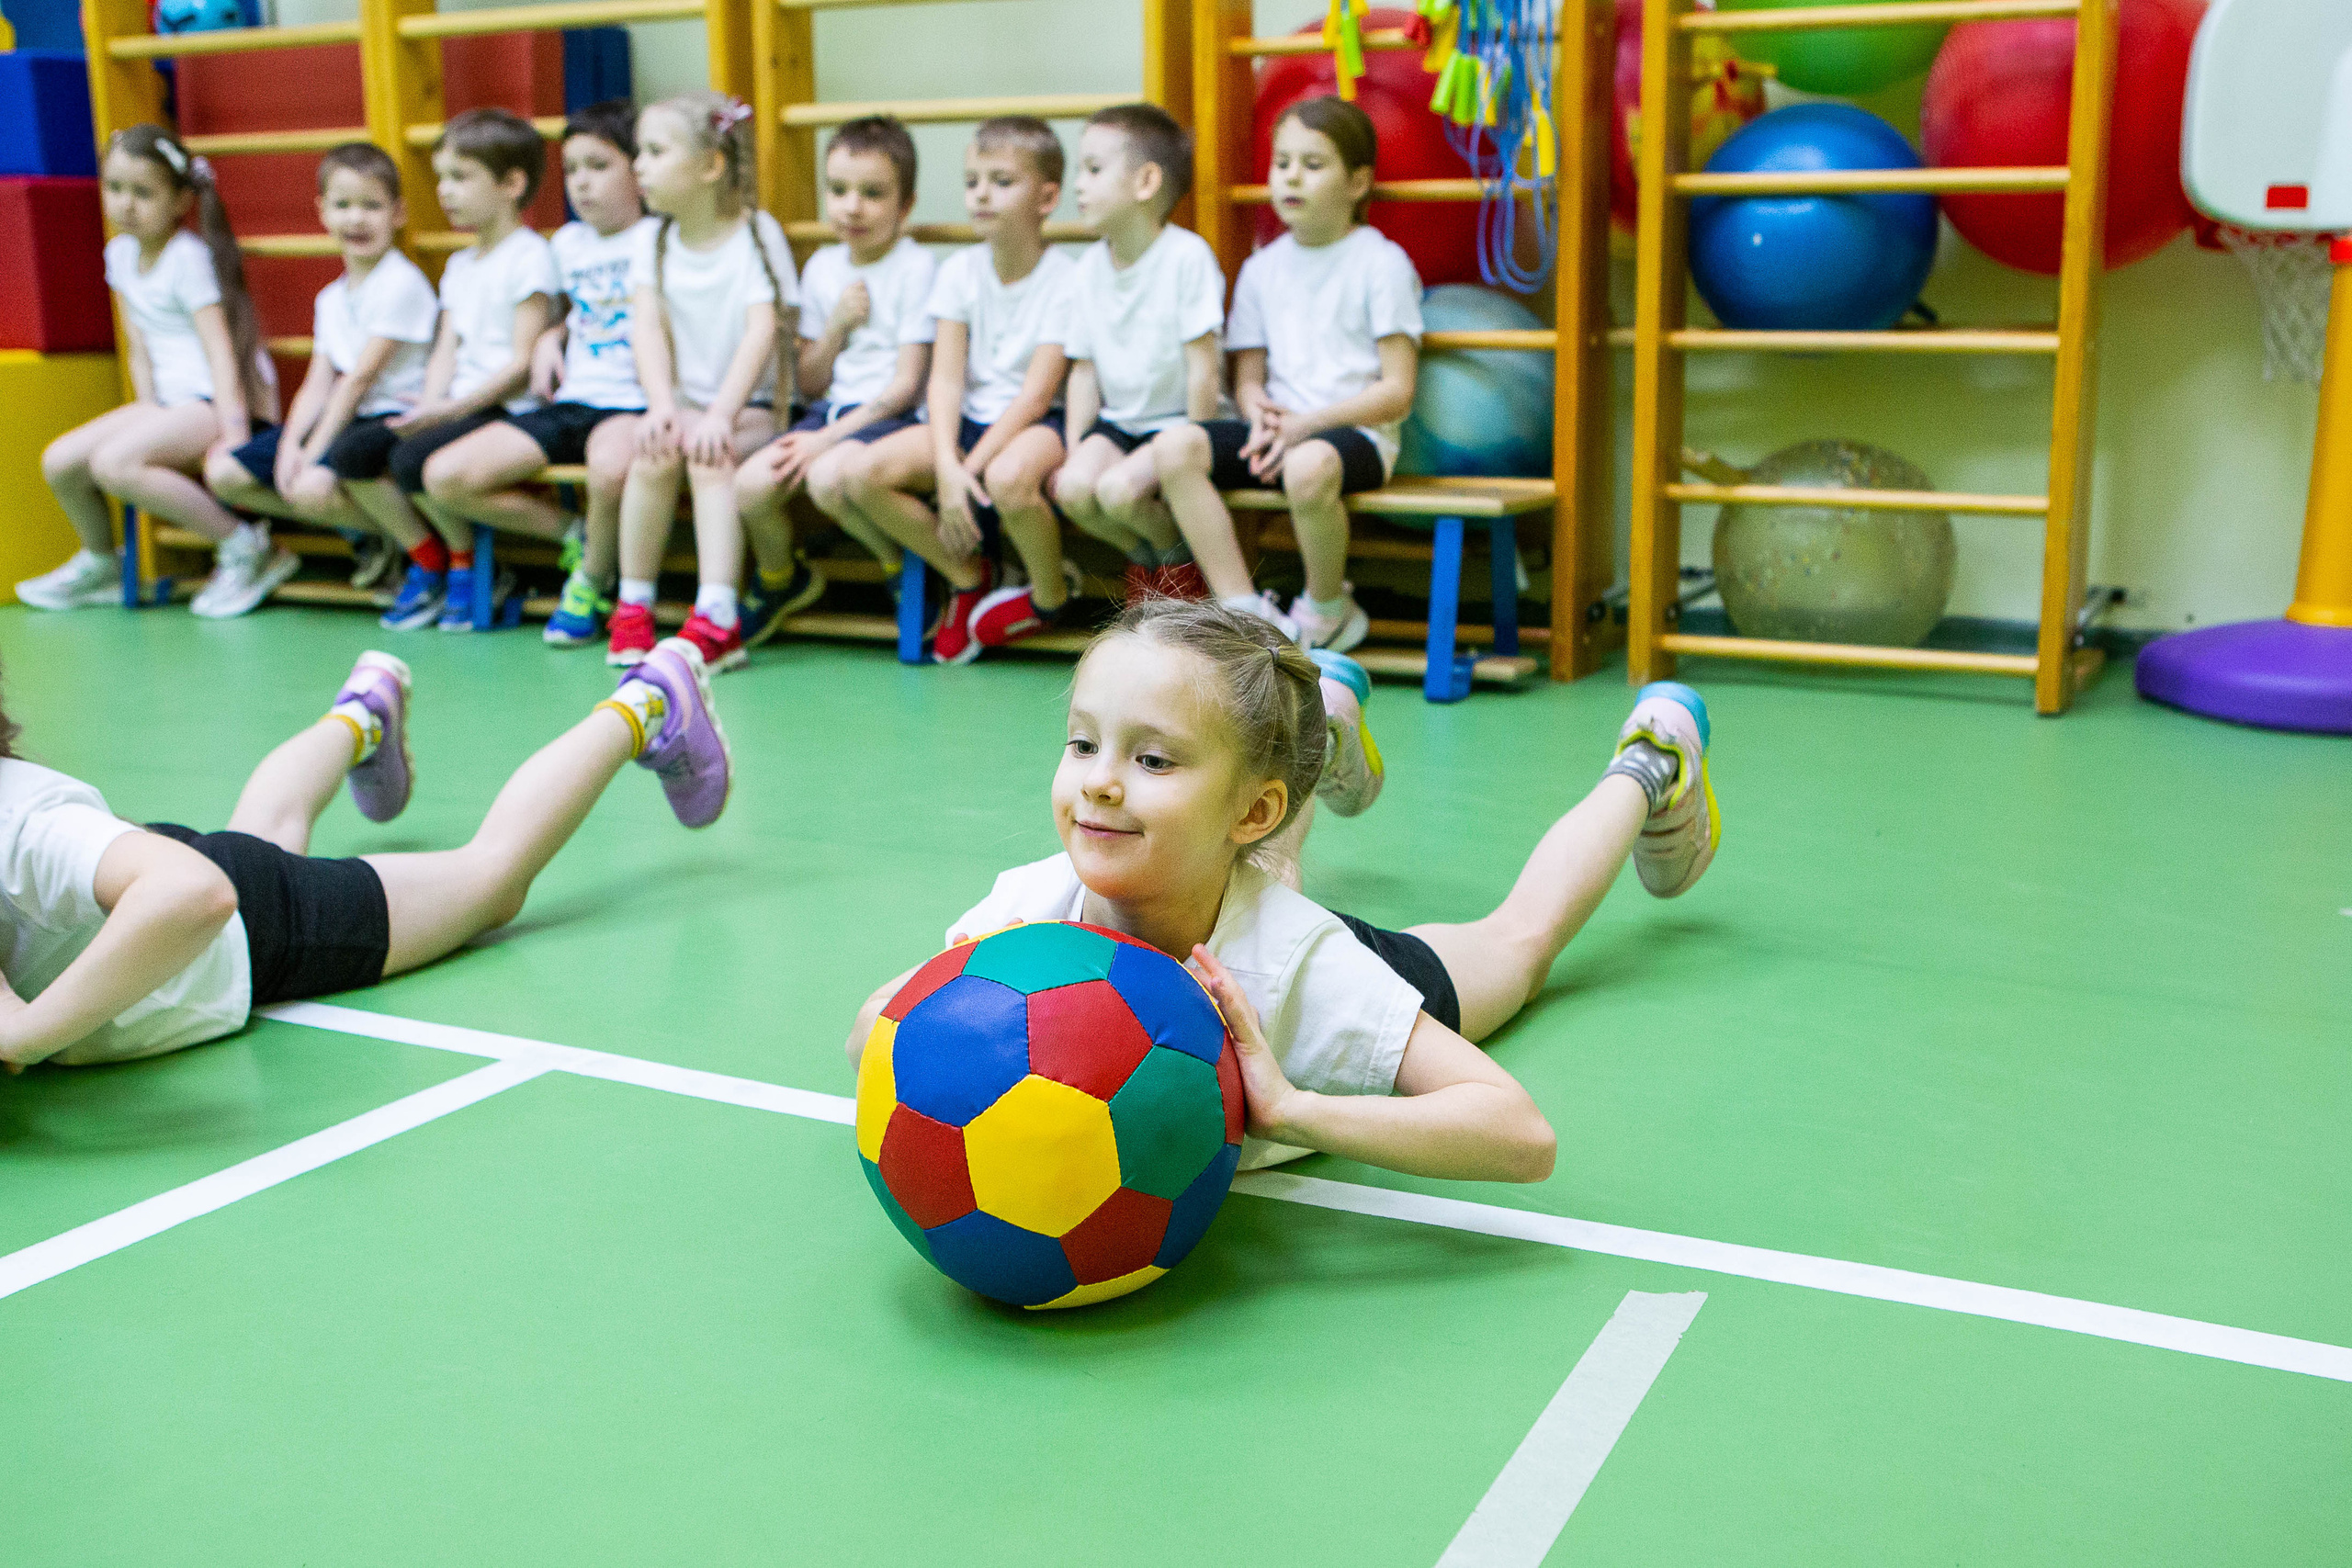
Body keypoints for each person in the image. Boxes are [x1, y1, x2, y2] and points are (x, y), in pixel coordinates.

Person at [843, 600, 1723, 1184]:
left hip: (1300, 947)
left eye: (1151, 758)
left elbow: (1525, 1137)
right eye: (1082, 744)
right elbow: (868, 1039)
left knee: (1521, 943)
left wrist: (1295, 1108)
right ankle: (1320, 721)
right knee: (1249, 878)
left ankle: (1651, 762)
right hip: (1222, 888)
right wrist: (922, 1017)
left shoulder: (1316, 970)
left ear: (1255, 805)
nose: (1100, 783)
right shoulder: (1027, 914)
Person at [0, 637, 731, 1075]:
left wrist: (30, 1033)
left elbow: (194, 894)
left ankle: (649, 704)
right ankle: (361, 714)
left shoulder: (20, 816)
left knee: (491, 878)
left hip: (247, 928)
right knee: (259, 832)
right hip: (191, 883)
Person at [1152, 97, 1421, 651]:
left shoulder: (1382, 262)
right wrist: (1258, 414)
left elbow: (1397, 392)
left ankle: (1329, 608)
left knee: (1306, 468)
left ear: (1358, 182)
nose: (1291, 176)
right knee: (1174, 449)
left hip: (1353, 436)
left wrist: (1306, 425)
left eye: (1313, 164)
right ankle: (1243, 610)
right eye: (1282, 163)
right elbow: (1248, 378)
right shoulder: (1261, 267)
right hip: (1279, 434)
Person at [409, 102, 655, 650]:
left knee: (610, 467)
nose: (581, 183)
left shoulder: (659, 239)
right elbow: (575, 313)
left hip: (632, 401)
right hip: (568, 400)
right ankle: (585, 542)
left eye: (598, 166)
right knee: (445, 476)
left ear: (638, 170)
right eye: (571, 170)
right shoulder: (566, 245)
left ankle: (590, 581)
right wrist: (553, 335)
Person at [836, 116, 1076, 664]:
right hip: (967, 423)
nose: (981, 194)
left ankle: (1048, 596)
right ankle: (968, 575)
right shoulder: (960, 272)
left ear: (1047, 197)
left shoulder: (1066, 278)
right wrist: (947, 466)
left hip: (1034, 425)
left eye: (1001, 181)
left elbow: (1037, 397)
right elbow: (944, 382)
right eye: (972, 182)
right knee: (861, 474)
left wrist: (967, 474)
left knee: (1008, 476)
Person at [23, 125, 288, 620]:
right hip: (168, 403)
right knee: (60, 461)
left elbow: (222, 354)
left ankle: (248, 548)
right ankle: (102, 562)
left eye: (143, 193)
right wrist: (145, 409)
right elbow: (138, 346)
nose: (126, 204)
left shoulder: (187, 259)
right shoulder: (119, 254)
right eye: (115, 188)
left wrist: (235, 432)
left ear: (180, 200)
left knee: (115, 465)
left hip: (211, 402)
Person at [606, 91, 797, 673]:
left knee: (708, 454)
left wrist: (720, 413)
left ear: (712, 166)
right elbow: (646, 328)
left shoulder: (757, 234)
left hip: (756, 408)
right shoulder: (651, 240)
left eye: (656, 151)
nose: (638, 165)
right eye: (639, 151)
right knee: (654, 449)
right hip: (688, 406)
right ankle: (633, 604)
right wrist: (661, 404)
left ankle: (720, 617)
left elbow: (761, 331)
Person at [201, 142, 441, 597]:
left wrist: (310, 453)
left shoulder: (401, 282)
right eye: (343, 205)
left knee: (309, 485)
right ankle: (371, 535)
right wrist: (290, 443)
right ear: (323, 213)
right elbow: (318, 382)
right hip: (343, 418)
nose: (356, 219)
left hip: (387, 419)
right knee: (224, 474)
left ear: (398, 213)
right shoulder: (331, 298)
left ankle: (418, 549)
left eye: (371, 205)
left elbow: (359, 382)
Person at [732, 117, 933, 641]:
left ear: (905, 206)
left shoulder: (917, 267)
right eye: (839, 190)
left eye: (872, 193)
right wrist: (838, 325)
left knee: (826, 481)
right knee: (751, 486)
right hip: (833, 412)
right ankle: (783, 577)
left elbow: (906, 386)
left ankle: (898, 567)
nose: (852, 206)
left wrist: (825, 439)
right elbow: (812, 381)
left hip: (891, 418)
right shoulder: (823, 267)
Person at [374, 107, 564, 634]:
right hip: (462, 402)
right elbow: (446, 350)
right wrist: (430, 406)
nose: (445, 191)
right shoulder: (460, 265)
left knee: (415, 463)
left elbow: (523, 363)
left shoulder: (530, 256)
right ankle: (460, 561)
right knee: (391, 454)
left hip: (507, 405)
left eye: (460, 177)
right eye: (441, 178)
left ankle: (566, 537)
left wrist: (451, 409)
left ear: (511, 184)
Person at [1051, 104, 1227, 604]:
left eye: (1093, 169)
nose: (1078, 185)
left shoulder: (1186, 256)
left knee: (1119, 492)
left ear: (1147, 181)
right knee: (1074, 490)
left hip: (1175, 426)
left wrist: (1192, 451)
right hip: (1120, 424)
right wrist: (1074, 449)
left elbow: (1203, 369)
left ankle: (1174, 559)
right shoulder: (1086, 269)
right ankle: (1154, 555)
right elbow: (1083, 373)